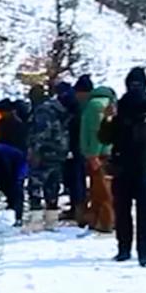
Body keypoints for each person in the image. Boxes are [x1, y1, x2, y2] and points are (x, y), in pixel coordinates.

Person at [97, 67, 146, 267]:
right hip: (121, 164)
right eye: (132, 84)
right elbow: (104, 137)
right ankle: (123, 249)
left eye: (139, 84)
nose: (135, 87)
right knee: (122, 210)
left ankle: (145, 253)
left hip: (145, 165)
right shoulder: (119, 107)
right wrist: (107, 119)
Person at [28, 82, 71, 229]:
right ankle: (51, 221)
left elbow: (41, 133)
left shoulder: (42, 111)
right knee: (53, 185)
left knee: (35, 184)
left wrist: (35, 151)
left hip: (45, 151)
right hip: (59, 151)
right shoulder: (57, 107)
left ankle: (36, 221)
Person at [79, 78, 116, 233]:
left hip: (99, 154)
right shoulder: (109, 103)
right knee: (103, 189)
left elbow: (96, 131)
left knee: (101, 190)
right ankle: (98, 219)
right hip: (108, 152)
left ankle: (106, 222)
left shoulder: (94, 105)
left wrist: (93, 154)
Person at [60, 77, 88, 221]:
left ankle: (78, 210)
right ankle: (78, 208)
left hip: (75, 146)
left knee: (75, 179)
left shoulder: (73, 105)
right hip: (80, 146)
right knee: (77, 179)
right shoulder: (83, 105)